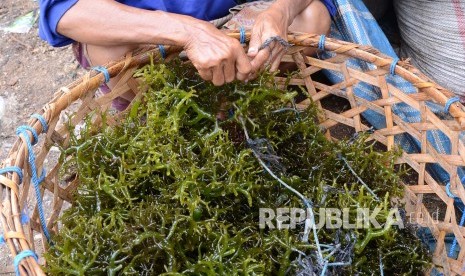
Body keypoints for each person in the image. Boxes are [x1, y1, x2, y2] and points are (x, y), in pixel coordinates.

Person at [39, 0, 334, 108]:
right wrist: (190, 32)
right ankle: (178, 113)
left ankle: (238, 106)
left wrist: (279, 12)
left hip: (230, 20)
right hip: (150, 33)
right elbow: (65, 11)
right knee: (110, 51)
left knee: (311, 18)